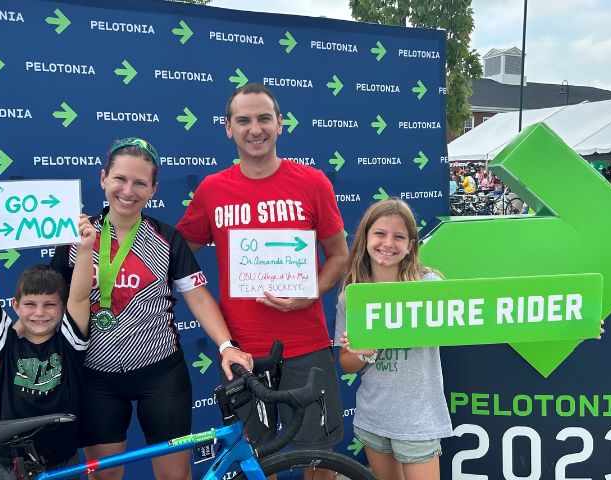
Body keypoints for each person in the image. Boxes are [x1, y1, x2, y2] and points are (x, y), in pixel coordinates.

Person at [177, 83, 350, 480]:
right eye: (243, 120)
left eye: (263, 119)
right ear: (228, 128)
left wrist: (312, 291)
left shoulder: (313, 183)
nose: (254, 129)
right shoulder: (212, 190)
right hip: (243, 352)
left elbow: (339, 255)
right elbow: (175, 251)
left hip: (306, 347)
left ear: (280, 123)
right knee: (253, 461)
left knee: (318, 459)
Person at [48, 137, 231, 480]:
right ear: (103, 178)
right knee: (105, 477)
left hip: (161, 375)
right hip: (95, 377)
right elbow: (49, 304)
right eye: (120, 179)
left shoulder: (168, 238)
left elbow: (198, 296)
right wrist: (8, 348)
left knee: (175, 477)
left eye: (140, 183)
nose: (128, 191)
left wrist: (226, 345)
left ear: (153, 189)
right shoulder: (76, 237)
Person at [0, 207, 100, 480]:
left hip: (63, 461)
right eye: (30, 304)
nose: (39, 313)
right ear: (15, 306)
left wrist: (86, 249)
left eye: (50, 305)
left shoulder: (70, 343)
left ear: (63, 308)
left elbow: (80, 296)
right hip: (10, 464)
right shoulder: (4, 344)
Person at [333, 199, 450, 480]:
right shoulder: (352, 295)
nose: (388, 243)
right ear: (366, 238)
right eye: (380, 234)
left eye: (399, 237)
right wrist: (362, 351)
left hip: (418, 420)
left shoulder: (428, 286)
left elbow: (455, 326)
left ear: (410, 246)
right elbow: (346, 364)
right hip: (374, 418)